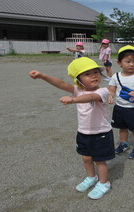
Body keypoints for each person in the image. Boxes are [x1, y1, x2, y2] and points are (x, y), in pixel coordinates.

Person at [28, 57, 115, 200]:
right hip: (83, 132)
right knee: (86, 158)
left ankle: (104, 183)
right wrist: (42, 76)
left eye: (96, 72)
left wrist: (73, 100)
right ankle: (91, 177)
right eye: (87, 74)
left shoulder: (103, 91)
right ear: (78, 79)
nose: (94, 75)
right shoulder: (77, 90)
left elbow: (92, 97)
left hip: (101, 133)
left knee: (100, 160)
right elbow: (61, 84)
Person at [108, 45, 134, 159]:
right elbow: (112, 88)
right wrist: (111, 95)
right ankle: (124, 143)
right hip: (120, 107)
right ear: (119, 63)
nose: (132, 64)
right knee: (122, 128)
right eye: (128, 61)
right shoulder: (115, 76)